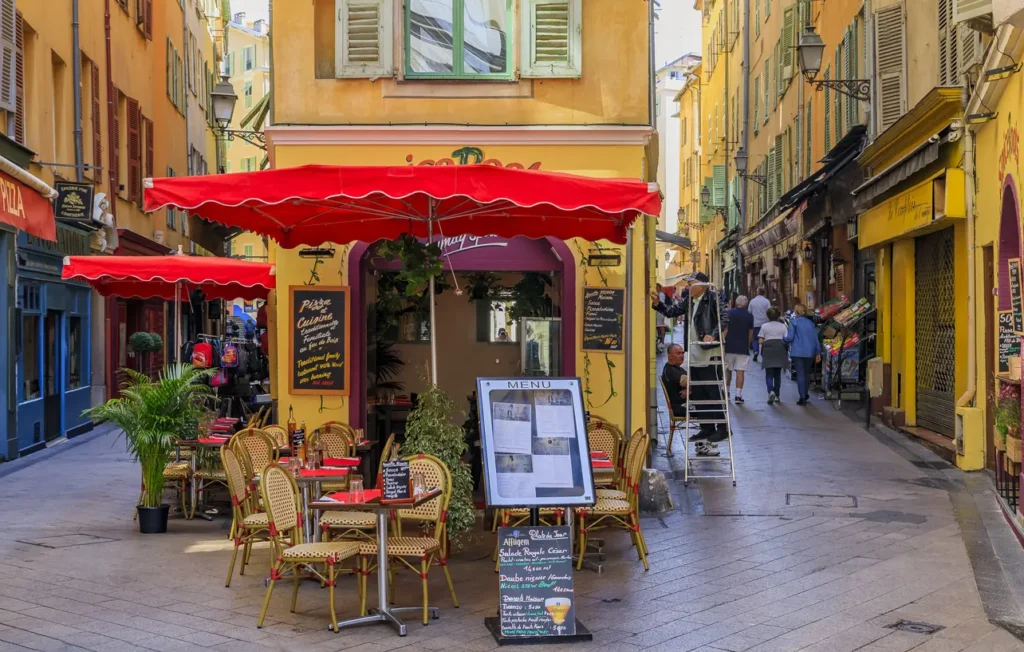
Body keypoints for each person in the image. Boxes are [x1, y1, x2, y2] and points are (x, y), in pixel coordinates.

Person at [651, 272, 729, 443]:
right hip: (695, 352)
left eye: (690, 283)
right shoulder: (689, 301)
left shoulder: (713, 298)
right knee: (700, 393)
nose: (687, 287)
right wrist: (658, 304)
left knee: (714, 392)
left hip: (709, 353)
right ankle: (706, 428)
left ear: (702, 285)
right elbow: (672, 312)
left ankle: (723, 429)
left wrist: (713, 335)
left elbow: (724, 317)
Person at [660, 344, 718, 457]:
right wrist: (691, 388)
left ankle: (706, 438)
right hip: (680, 407)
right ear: (669, 356)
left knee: (708, 403)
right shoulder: (670, 370)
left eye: (682, 353)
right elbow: (691, 382)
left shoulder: (678, 368)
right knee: (706, 408)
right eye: (678, 353)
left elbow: (690, 383)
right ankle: (703, 443)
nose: (681, 356)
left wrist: (689, 390)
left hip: (686, 403)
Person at [785, 304, 822, 406]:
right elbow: (815, 339)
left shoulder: (794, 321)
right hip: (810, 352)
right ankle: (805, 394)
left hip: (797, 352)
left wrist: (783, 340)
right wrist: (818, 352)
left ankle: (802, 398)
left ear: (796, 312)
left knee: (800, 374)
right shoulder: (811, 323)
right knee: (806, 373)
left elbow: (790, 337)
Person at [722, 295, 754, 404]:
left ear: (736, 303)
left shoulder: (729, 313)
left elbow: (725, 329)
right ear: (746, 304)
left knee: (728, 370)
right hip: (742, 347)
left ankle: (726, 392)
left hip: (729, 346)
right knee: (740, 372)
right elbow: (750, 332)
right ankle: (738, 396)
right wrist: (748, 344)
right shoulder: (749, 316)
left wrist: (723, 341)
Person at [758, 307, 788, 405]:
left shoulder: (764, 326)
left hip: (768, 350)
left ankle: (770, 391)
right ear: (778, 315)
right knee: (777, 374)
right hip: (780, 349)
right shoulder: (783, 326)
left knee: (769, 374)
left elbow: (760, 340)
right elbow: (786, 338)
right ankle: (777, 395)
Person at [748, 288, 770, 362]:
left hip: (755, 323)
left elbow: (749, 312)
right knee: (764, 339)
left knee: (755, 339)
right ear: (764, 293)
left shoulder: (752, 301)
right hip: (765, 323)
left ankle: (756, 351)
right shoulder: (767, 301)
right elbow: (769, 311)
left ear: (757, 292)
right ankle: (763, 353)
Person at [655, 283, 668, 352]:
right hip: (659, 312)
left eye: (656, 287)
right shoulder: (660, 294)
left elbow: (660, 303)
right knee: (659, 326)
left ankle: (662, 342)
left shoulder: (661, 294)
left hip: (660, 313)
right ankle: (661, 341)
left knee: (660, 326)